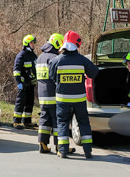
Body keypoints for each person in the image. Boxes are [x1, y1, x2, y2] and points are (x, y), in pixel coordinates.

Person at [49, 31, 99, 159]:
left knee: (62, 123)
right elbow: (94, 73)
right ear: (77, 44)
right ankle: (88, 151)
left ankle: (63, 151)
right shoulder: (83, 60)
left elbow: (53, 77)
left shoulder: (56, 61)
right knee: (83, 123)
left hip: (62, 99)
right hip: (79, 99)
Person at [36, 33, 74, 154]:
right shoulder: (53, 58)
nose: (60, 49)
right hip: (53, 94)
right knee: (58, 121)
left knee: (44, 120)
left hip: (42, 95)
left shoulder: (40, 57)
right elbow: (58, 77)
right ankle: (60, 147)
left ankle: (43, 144)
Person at [12, 34, 38, 129]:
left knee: (30, 102)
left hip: (31, 84)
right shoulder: (21, 55)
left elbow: (36, 69)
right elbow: (16, 71)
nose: (33, 44)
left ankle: (27, 121)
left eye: (33, 42)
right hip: (23, 84)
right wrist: (19, 82)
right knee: (20, 102)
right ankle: (16, 122)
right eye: (32, 42)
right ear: (27, 43)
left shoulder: (33, 56)